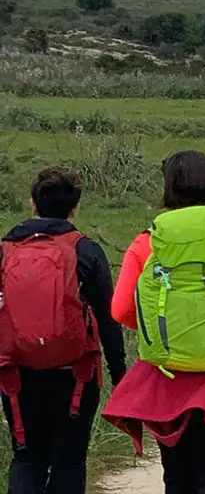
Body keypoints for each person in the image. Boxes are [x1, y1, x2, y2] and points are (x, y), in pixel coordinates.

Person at [103, 151, 205, 494]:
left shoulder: (147, 243)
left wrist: (164, 331)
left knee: (175, 472)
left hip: (166, 375)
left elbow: (119, 310)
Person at [0, 167, 127, 494]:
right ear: (75, 208)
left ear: (32, 204)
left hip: (17, 374)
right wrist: (119, 373)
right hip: (76, 375)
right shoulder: (85, 250)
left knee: (27, 458)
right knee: (69, 460)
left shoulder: (4, 251)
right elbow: (108, 318)